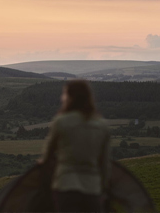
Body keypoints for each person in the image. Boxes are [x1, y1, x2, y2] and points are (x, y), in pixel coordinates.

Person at [40, 79, 111, 213]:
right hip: (92, 188)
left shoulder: (61, 121)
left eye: (65, 94)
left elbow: (47, 155)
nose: (62, 98)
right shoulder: (102, 126)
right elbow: (104, 163)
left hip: (65, 185)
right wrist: (104, 188)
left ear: (70, 97)